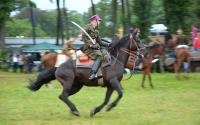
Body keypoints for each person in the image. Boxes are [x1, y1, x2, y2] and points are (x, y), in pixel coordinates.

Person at [82, 15, 112, 80]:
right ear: (94, 21)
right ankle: (93, 73)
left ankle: (103, 72)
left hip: (96, 47)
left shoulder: (96, 31)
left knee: (105, 53)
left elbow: (100, 42)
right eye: (99, 20)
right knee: (99, 56)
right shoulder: (88, 27)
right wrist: (90, 45)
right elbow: (83, 36)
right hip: (89, 48)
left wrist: (109, 44)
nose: (99, 22)